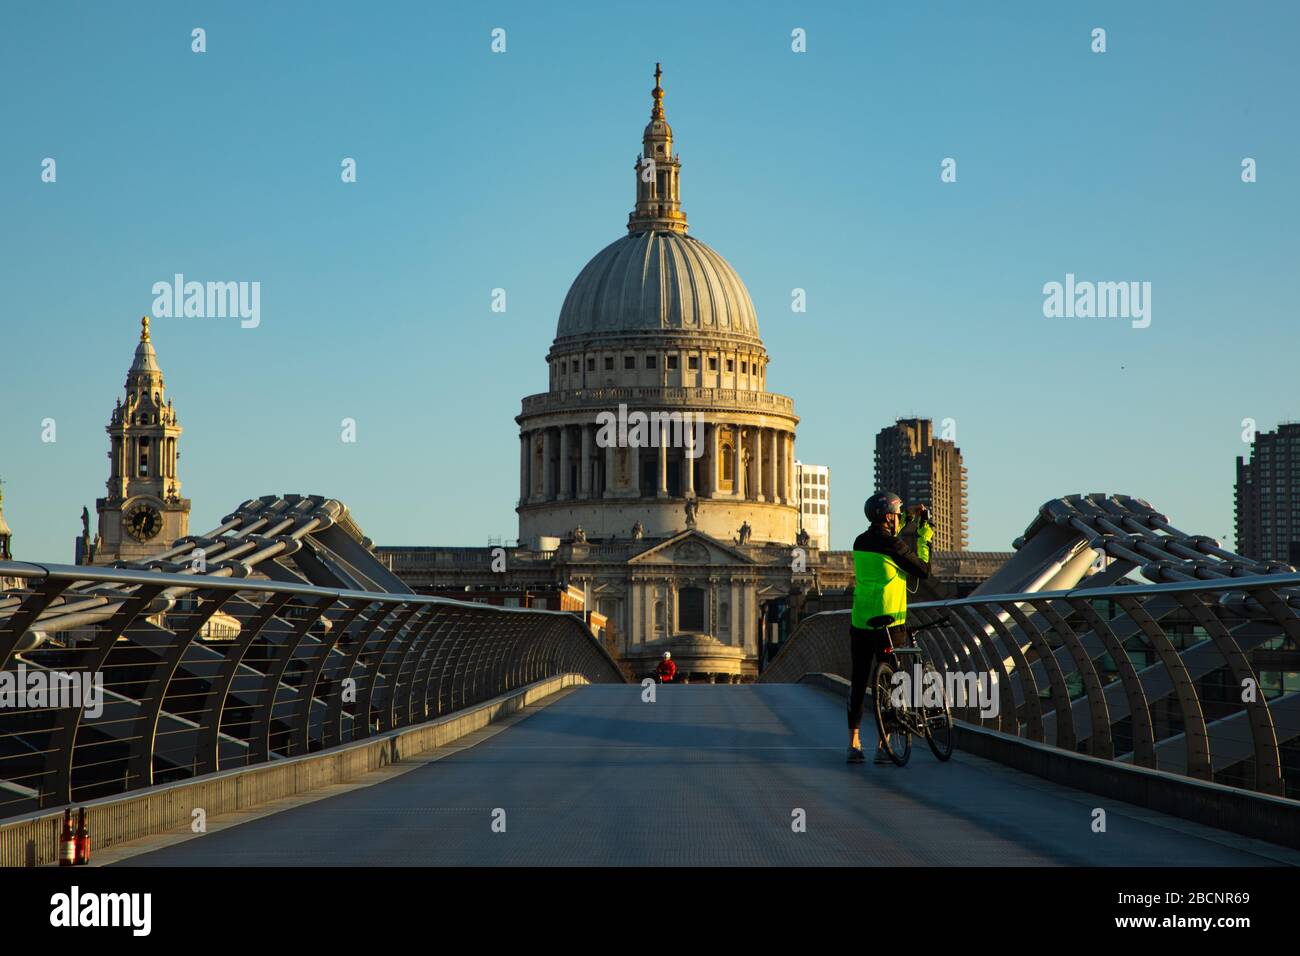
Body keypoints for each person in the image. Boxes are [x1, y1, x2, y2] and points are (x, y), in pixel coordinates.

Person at [847, 491, 933, 765]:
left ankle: (853, 743)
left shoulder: (860, 542)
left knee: (860, 680)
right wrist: (924, 534)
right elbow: (922, 569)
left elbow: (884, 531)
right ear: (887, 517)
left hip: (861, 620)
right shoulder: (894, 546)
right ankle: (885, 744)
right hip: (891, 621)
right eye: (895, 516)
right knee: (891, 682)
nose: (898, 520)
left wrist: (907, 514)